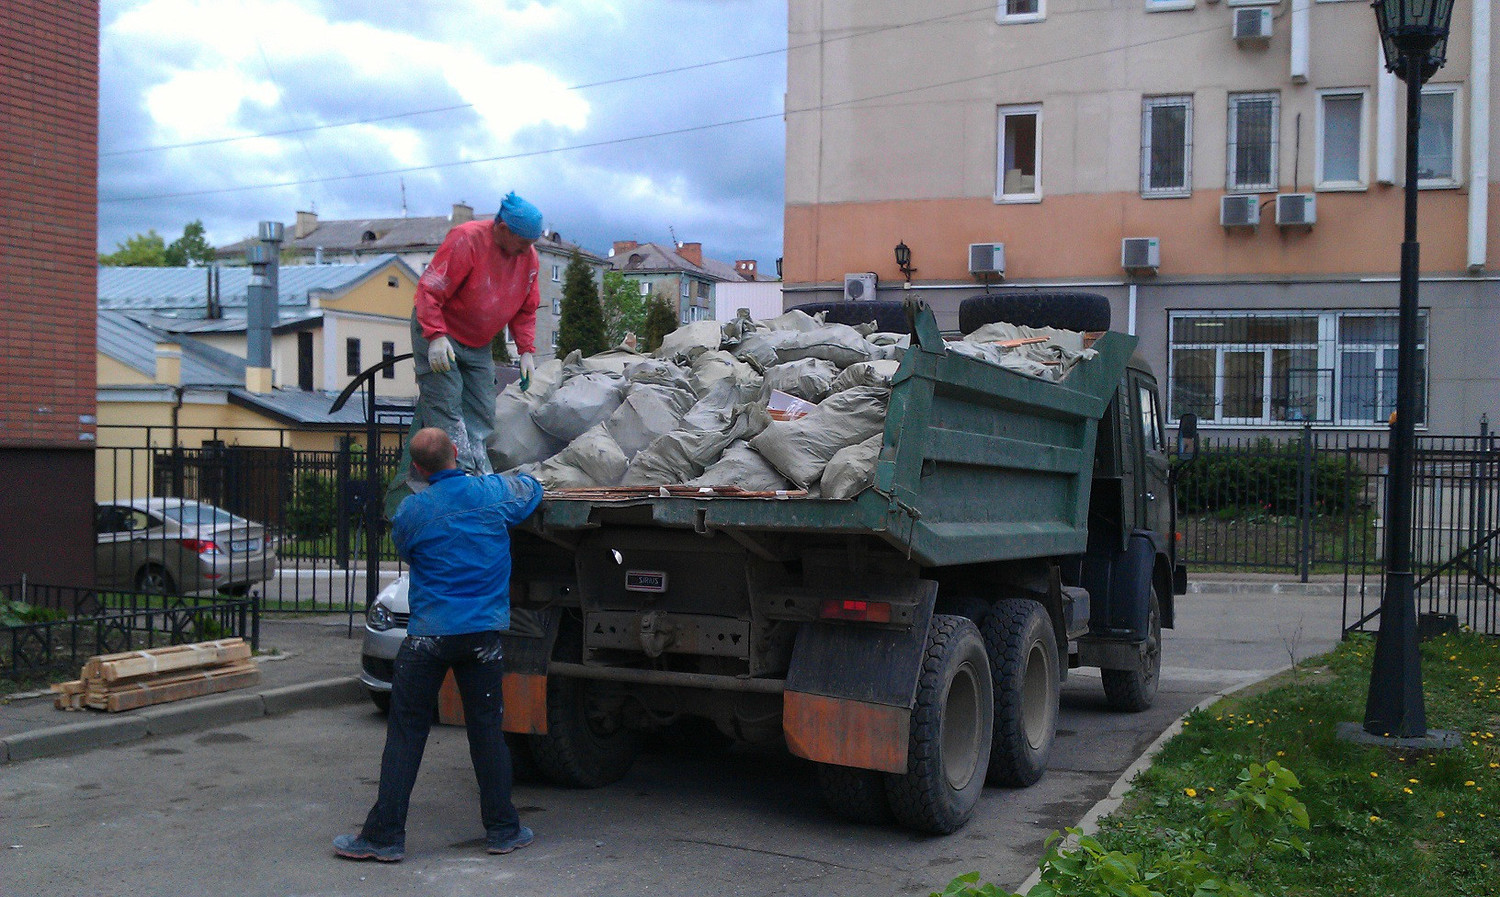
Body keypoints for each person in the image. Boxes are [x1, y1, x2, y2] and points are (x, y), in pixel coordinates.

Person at [335, 427, 545, 863]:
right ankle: (503, 830)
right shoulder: (492, 493)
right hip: (482, 637)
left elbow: (408, 549)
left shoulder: (413, 511)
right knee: (487, 732)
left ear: (415, 467)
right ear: (456, 452)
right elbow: (533, 491)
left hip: (429, 636)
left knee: (406, 734)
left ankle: (383, 838)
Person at [385, 191, 544, 517]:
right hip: (441, 331)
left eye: (531, 243)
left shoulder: (527, 258)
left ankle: (479, 473)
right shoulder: (467, 240)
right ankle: (464, 485)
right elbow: (430, 289)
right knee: (449, 410)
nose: (527, 249)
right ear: (501, 227)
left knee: (482, 411)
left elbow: (526, 308)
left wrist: (526, 351)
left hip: (477, 341)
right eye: (523, 241)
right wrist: (435, 336)